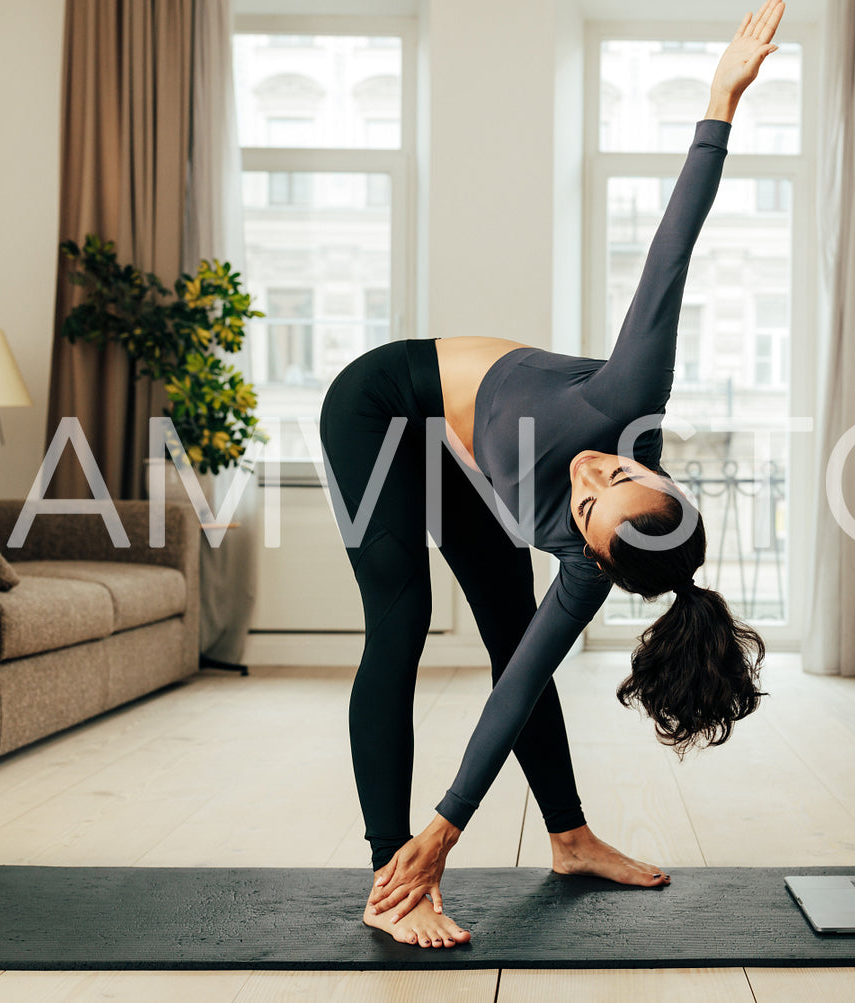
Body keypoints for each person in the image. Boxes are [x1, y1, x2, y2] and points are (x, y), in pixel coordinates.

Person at [317, 0, 786, 949]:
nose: (588, 473)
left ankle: (567, 838)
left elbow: (516, 687)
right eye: (616, 473)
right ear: (651, 471)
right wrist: (719, 103)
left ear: (592, 549)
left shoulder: (582, 559)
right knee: (399, 625)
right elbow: (671, 255)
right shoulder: (629, 395)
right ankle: (389, 877)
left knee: (510, 648)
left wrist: (449, 823)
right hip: (378, 404)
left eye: (586, 503)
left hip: (457, 456)